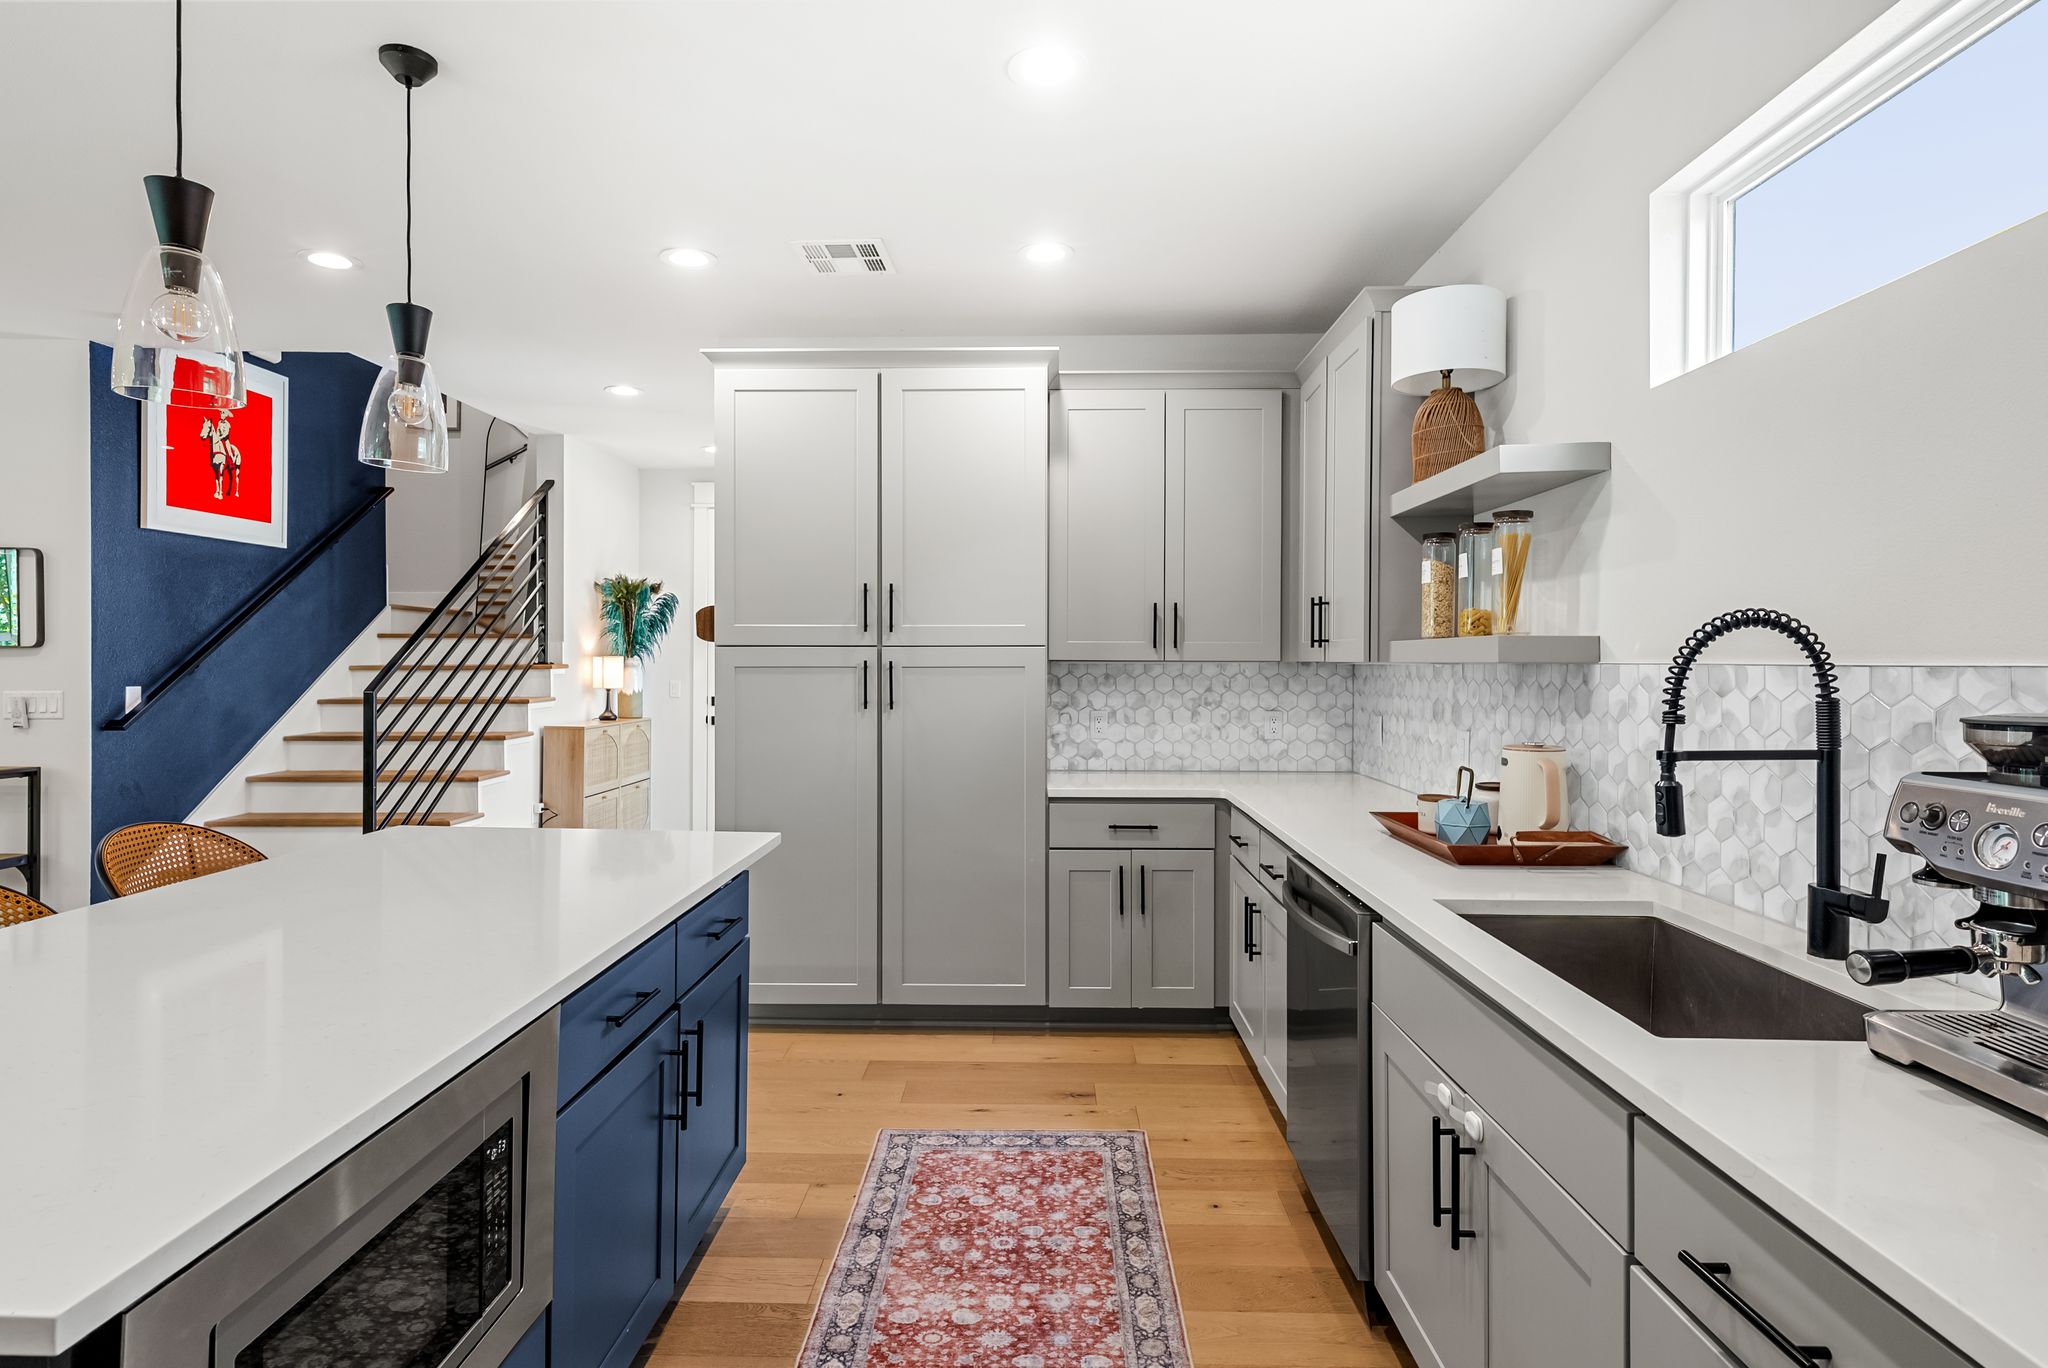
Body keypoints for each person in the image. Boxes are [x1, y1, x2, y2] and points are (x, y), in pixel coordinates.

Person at [201, 411, 242, 500]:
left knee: (228, 450)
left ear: (226, 415)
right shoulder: (219, 422)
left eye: (223, 414)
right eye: (221, 413)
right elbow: (217, 431)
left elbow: (226, 433)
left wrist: (220, 437)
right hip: (219, 440)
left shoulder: (227, 424)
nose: (221, 415)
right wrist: (216, 437)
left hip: (225, 441)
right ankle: (217, 490)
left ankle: (231, 462)